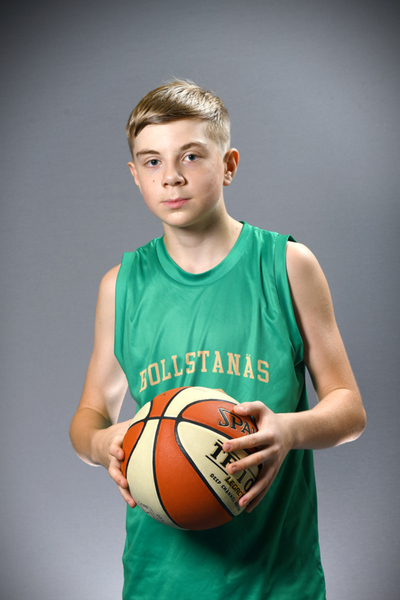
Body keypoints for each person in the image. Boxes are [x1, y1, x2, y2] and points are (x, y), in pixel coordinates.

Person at [70, 80, 366, 599]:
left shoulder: (286, 265)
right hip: (161, 580)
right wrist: (101, 443)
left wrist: (288, 430)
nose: (172, 176)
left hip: (277, 577)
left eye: (191, 156)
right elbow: (89, 415)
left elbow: (349, 410)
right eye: (153, 162)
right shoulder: (121, 286)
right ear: (135, 174)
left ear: (228, 165)